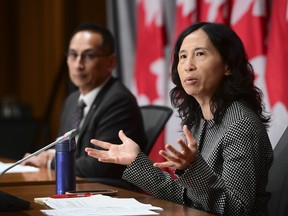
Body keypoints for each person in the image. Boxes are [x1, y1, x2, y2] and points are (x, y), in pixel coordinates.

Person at [85, 22, 273, 215]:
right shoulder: (201, 120)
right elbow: (185, 196)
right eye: (183, 56)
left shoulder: (240, 124)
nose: (188, 66)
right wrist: (135, 161)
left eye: (200, 54)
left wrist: (193, 167)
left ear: (227, 65)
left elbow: (238, 209)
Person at [22, 22, 147, 178]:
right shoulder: (72, 100)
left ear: (111, 62)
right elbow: (66, 148)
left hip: (106, 191)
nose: (78, 64)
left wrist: (49, 162)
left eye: (89, 56)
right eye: (73, 55)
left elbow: (100, 164)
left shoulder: (118, 101)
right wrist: (47, 154)